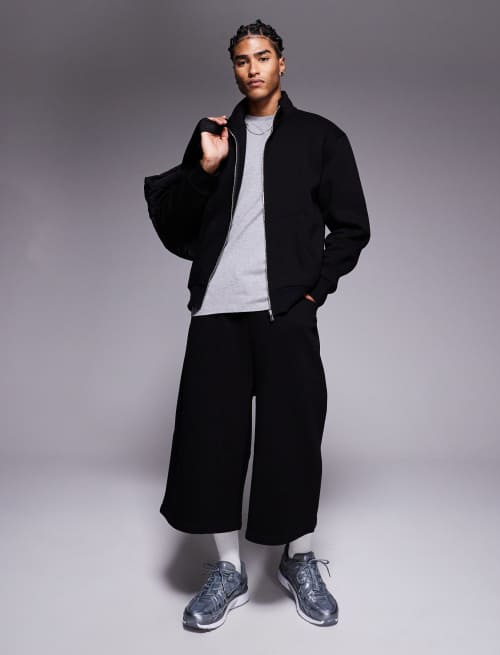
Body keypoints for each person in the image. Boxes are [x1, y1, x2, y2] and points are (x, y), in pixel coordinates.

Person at [143, 18, 370, 631]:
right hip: (218, 309)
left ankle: (298, 559)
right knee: (211, 438)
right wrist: (204, 169)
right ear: (234, 68)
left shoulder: (321, 137)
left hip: (285, 311)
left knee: (292, 433)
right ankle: (228, 569)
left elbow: (352, 227)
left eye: (263, 57)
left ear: (281, 63)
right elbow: (177, 226)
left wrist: (313, 292)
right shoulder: (215, 135)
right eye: (243, 60)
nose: (253, 69)